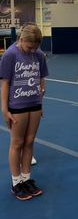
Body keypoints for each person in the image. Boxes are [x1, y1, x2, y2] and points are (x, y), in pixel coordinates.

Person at [0, 23, 48, 200]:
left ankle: (26, 178)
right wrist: (5, 110)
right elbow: (4, 83)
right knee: (17, 142)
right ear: (21, 39)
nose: (31, 51)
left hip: (34, 104)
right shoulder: (10, 55)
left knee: (29, 142)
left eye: (35, 48)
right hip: (17, 106)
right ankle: (16, 182)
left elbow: (41, 79)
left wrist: (41, 101)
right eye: (29, 47)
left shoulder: (39, 55)